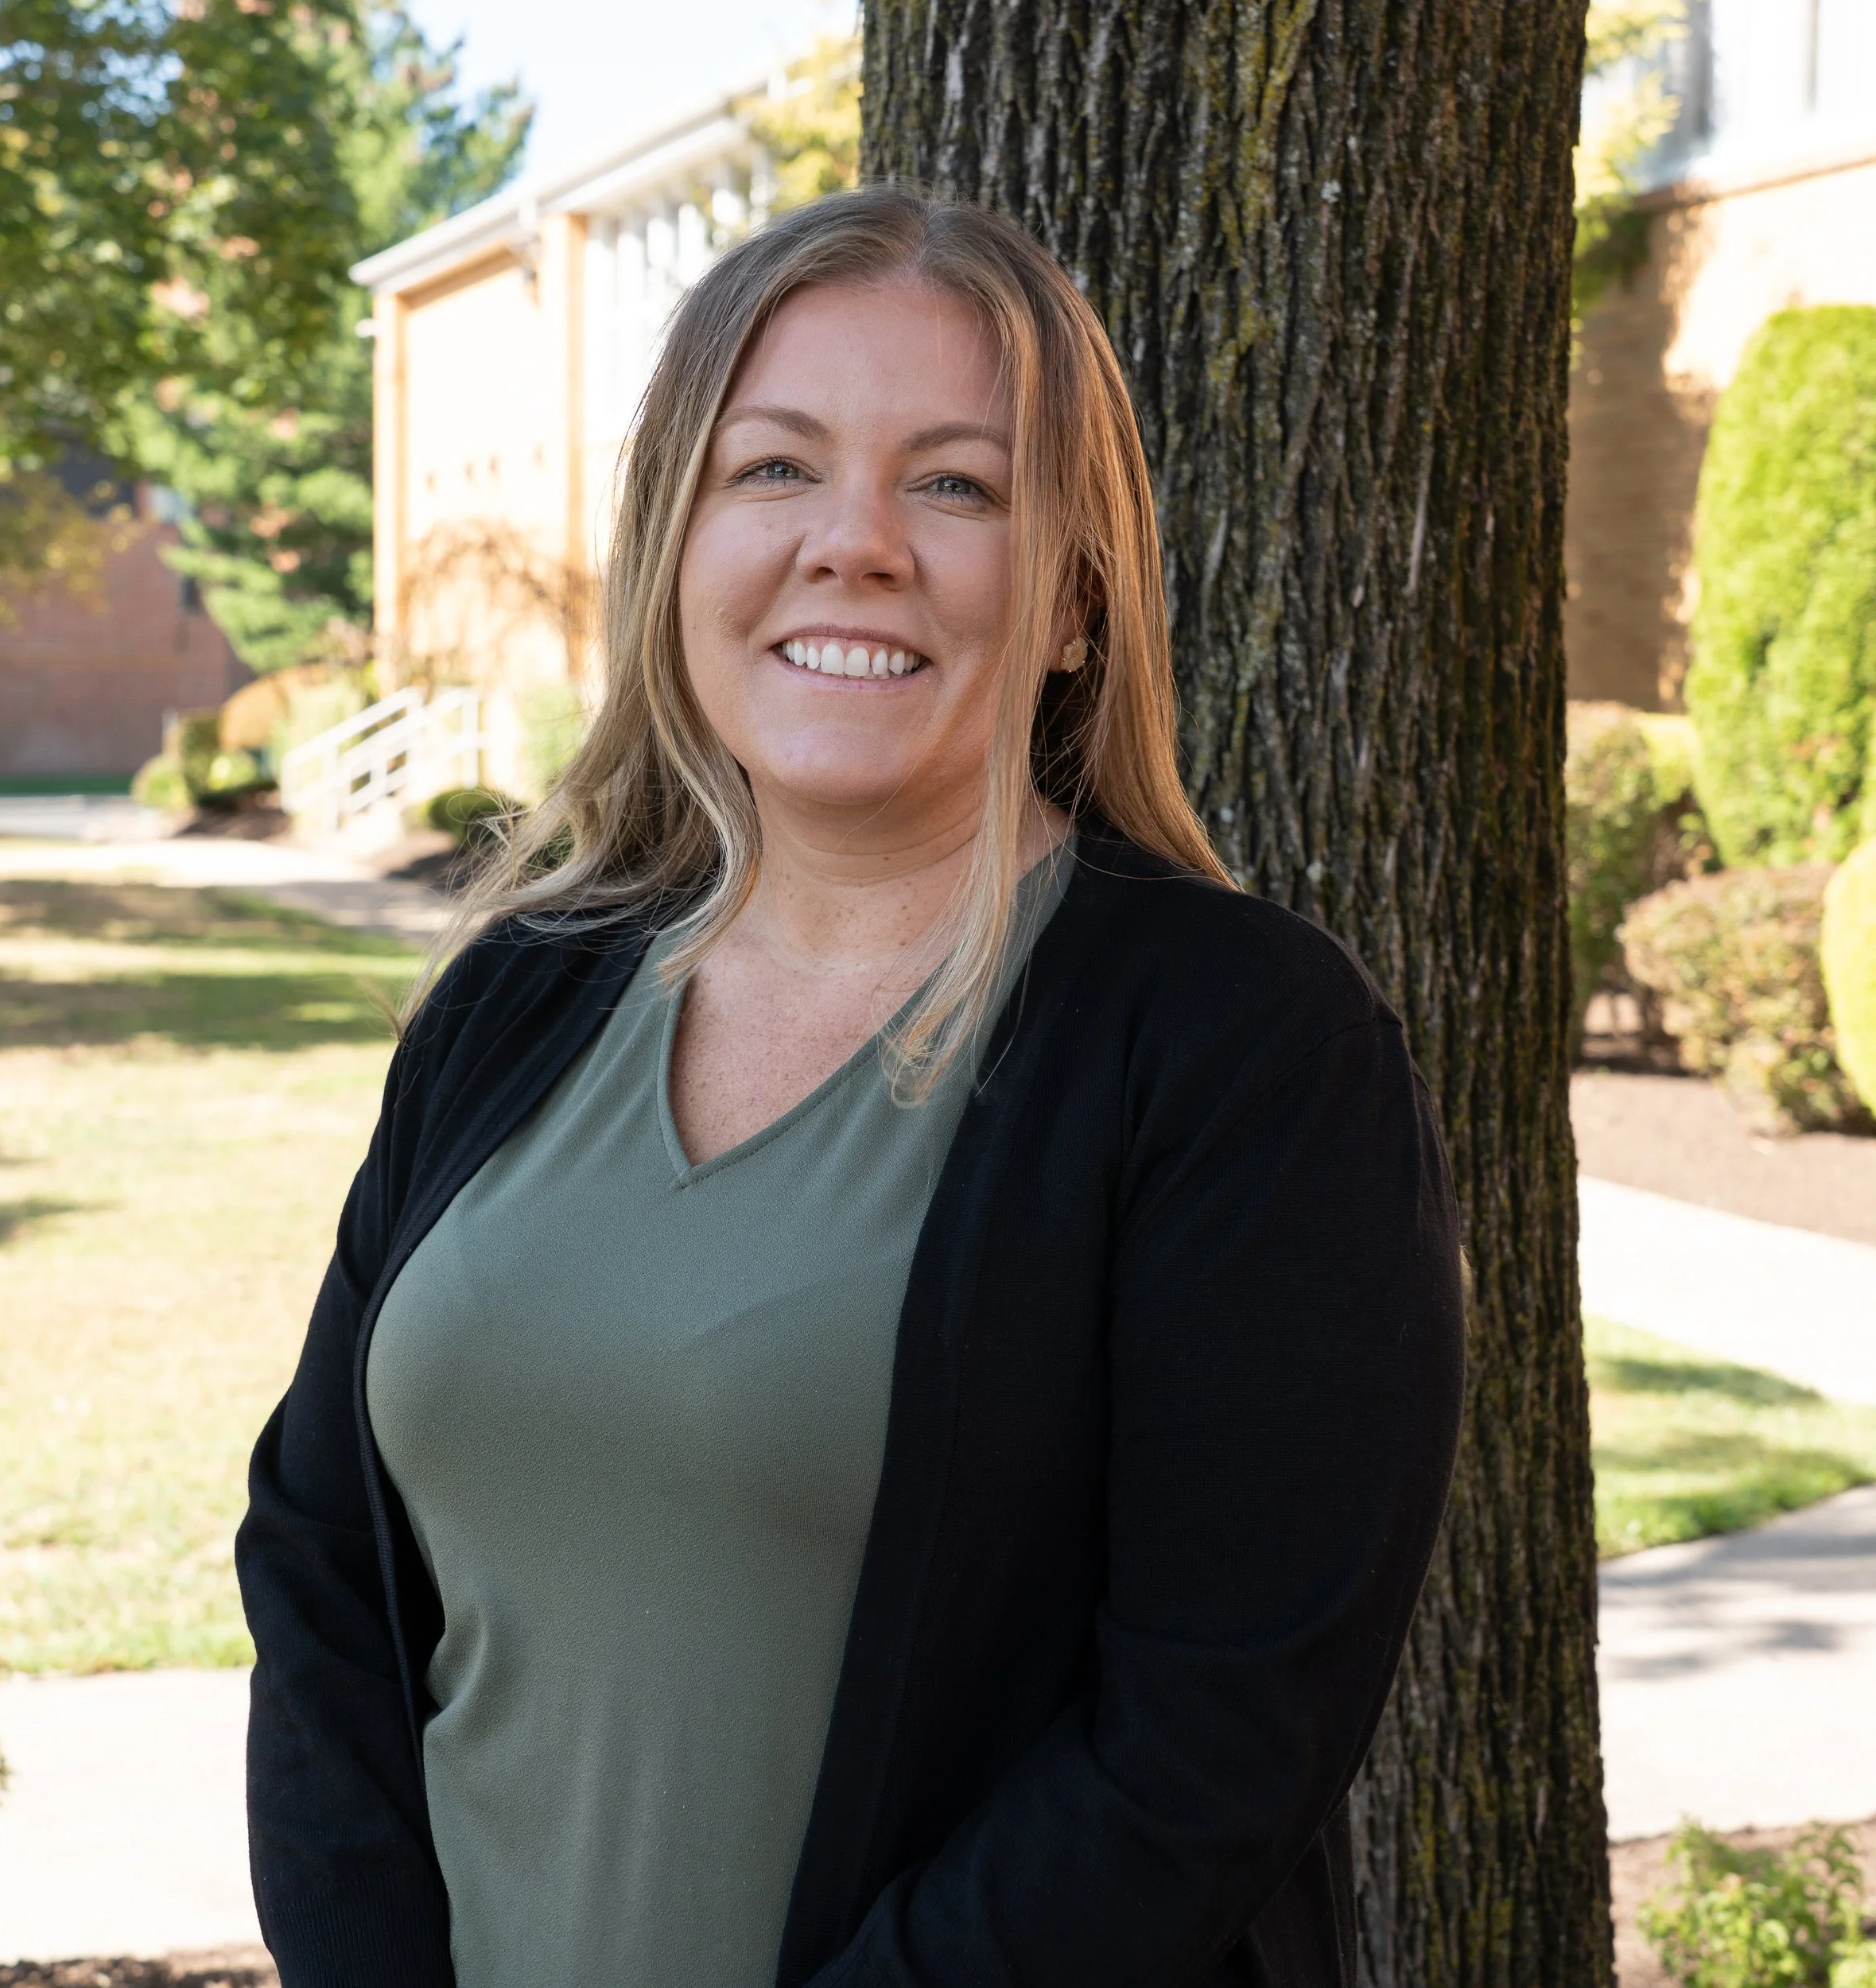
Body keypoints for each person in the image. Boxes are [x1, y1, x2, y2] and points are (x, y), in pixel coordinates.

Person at [236, 184, 1465, 1988]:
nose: (855, 543)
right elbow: (321, 1553)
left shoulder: (1244, 1049)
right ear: (675, 543)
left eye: (954, 485)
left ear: (1069, 597)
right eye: (774, 469)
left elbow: (1210, 1744)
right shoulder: (520, 994)